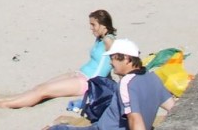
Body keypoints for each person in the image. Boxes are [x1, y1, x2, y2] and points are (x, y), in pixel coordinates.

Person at [37, 39, 174, 130]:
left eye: (113, 58)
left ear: (126, 58)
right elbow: (173, 107)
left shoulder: (127, 83)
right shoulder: (152, 77)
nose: (110, 63)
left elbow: (134, 119)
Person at [0, 10, 116, 109]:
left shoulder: (108, 40)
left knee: (43, 91)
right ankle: (8, 100)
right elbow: (104, 63)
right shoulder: (100, 39)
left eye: (93, 25)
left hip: (87, 82)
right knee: (41, 86)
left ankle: (5, 105)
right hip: (80, 74)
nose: (91, 28)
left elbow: (114, 60)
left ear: (103, 25)